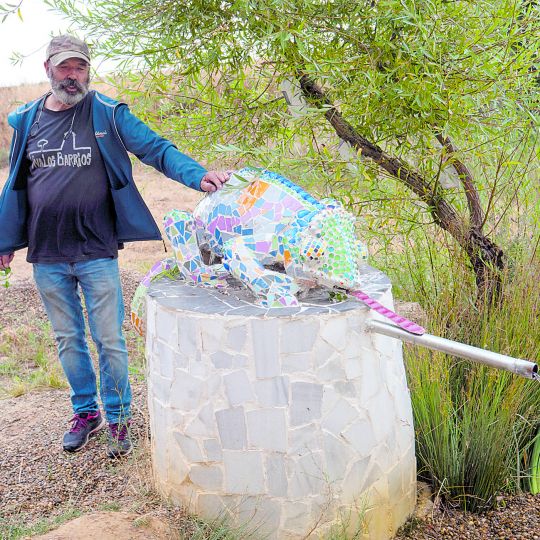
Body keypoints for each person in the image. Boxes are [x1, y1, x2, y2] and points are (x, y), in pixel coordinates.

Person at [0, 35, 230, 458]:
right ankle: (85, 413)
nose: (73, 76)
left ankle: (120, 418)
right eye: (65, 68)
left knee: (109, 340)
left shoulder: (106, 112)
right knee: (68, 339)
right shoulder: (27, 120)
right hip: (47, 255)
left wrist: (197, 175)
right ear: (48, 69)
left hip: (96, 250)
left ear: (88, 71)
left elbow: (155, 148)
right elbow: (16, 182)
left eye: (80, 68)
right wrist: (5, 238)